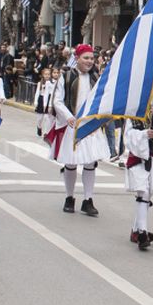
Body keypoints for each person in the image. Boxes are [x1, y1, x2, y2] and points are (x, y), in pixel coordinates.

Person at [51, 45, 110, 215]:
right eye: (86, 58)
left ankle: (88, 199)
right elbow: (58, 100)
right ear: (77, 58)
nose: (90, 61)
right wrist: (68, 116)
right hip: (73, 124)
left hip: (90, 125)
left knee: (90, 163)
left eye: (92, 58)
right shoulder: (67, 76)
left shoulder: (97, 77)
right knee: (70, 163)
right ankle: (69, 197)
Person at [124, 113, 153, 250]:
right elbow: (128, 137)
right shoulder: (133, 114)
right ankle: (142, 233)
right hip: (140, 158)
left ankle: (136, 230)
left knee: (147, 194)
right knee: (143, 193)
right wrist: (144, 134)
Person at [34, 66, 56, 138]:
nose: (47, 76)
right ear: (43, 75)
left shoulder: (52, 83)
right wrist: (36, 102)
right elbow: (37, 93)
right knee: (39, 118)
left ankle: (47, 132)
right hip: (41, 99)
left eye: (48, 74)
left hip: (48, 100)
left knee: (47, 117)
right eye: (45, 74)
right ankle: (39, 127)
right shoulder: (40, 83)